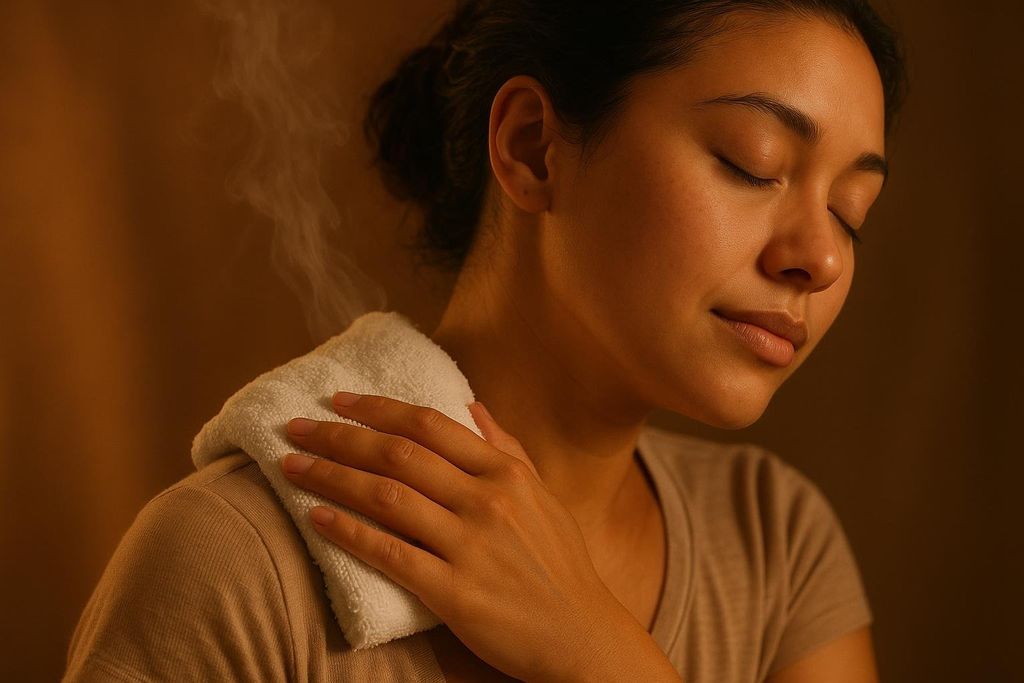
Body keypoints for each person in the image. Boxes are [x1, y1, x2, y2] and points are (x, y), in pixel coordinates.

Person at [64, 1, 908, 681]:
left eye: (850, 214)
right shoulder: (235, 565)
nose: (822, 256)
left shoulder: (774, 542)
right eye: (752, 163)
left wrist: (597, 652)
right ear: (533, 148)